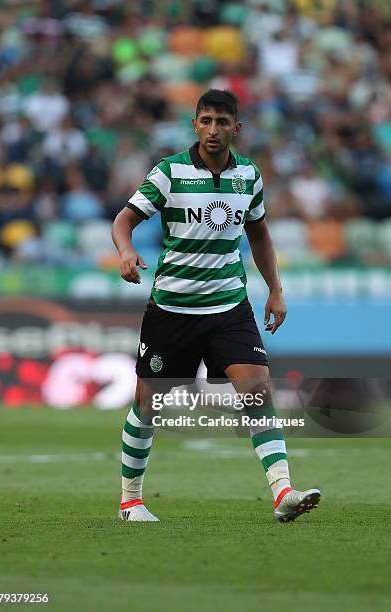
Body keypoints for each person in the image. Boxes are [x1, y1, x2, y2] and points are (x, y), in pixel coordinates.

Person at [112, 89, 320, 523]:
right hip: (173, 309)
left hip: (229, 305)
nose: (213, 130)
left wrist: (275, 289)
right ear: (194, 125)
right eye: (205, 121)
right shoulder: (169, 172)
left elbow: (259, 233)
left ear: (236, 129)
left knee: (258, 390)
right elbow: (124, 219)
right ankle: (130, 500)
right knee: (148, 406)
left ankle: (282, 492)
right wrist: (126, 251)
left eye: (222, 122)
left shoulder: (249, 176)